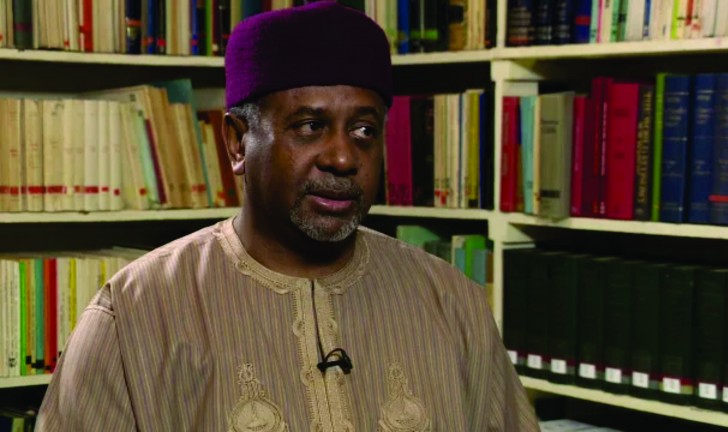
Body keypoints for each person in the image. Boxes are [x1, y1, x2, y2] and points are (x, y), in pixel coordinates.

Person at [36, 1, 539, 430]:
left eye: (364, 130)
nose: (342, 157)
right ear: (237, 143)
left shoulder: (452, 304)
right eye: (310, 126)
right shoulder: (135, 317)